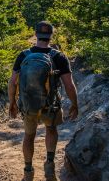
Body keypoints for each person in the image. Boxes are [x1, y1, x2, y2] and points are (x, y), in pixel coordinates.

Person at [8, 21, 79, 181]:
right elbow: (69, 84)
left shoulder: (24, 55)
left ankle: (28, 171)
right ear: (51, 35)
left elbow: (12, 82)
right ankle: (49, 167)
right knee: (51, 130)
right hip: (51, 106)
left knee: (28, 136)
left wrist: (12, 103)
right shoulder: (59, 57)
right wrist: (75, 104)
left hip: (28, 106)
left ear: (35, 34)